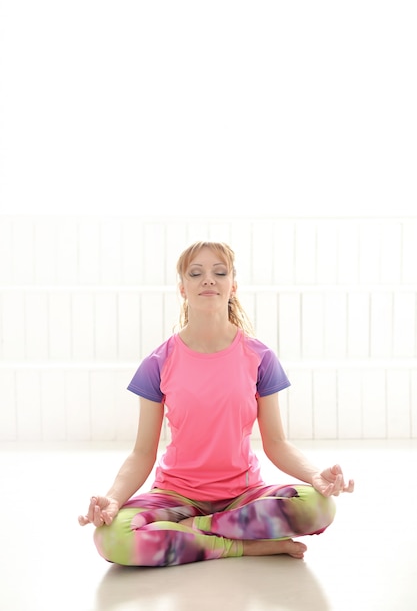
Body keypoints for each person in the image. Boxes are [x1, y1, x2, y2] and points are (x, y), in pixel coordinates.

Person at [78, 240, 354, 567]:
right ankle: (243, 546)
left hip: (242, 496)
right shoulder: (158, 361)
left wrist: (315, 475)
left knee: (318, 507)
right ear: (182, 288)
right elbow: (142, 453)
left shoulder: (259, 357)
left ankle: (198, 530)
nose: (208, 279)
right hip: (177, 495)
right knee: (112, 538)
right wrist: (113, 499)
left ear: (232, 286)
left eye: (219, 272)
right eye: (196, 273)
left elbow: (277, 443)